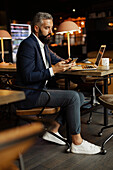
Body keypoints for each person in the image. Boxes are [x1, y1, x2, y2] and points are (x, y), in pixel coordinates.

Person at [15, 12, 101, 154]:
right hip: (30, 94)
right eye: (47, 28)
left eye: (51, 28)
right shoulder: (28, 45)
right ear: (36, 28)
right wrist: (53, 70)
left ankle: (53, 129)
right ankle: (77, 142)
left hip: (41, 90)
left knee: (78, 97)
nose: (51, 32)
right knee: (73, 97)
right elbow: (27, 76)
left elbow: (56, 59)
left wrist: (67, 62)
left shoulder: (42, 45)